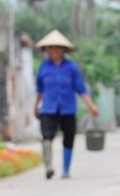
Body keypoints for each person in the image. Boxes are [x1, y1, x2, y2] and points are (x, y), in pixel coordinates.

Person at [34, 30, 100, 179]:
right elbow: (39, 89)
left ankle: (65, 170)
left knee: (68, 138)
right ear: (47, 50)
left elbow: (81, 89)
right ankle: (49, 166)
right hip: (48, 108)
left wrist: (91, 106)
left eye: (57, 48)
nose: (54, 51)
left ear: (63, 49)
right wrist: (36, 106)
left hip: (67, 108)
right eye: (50, 48)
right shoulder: (43, 67)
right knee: (46, 136)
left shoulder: (71, 67)